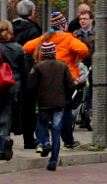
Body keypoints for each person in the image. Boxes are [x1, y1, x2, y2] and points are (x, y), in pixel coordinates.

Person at [23, 12, 88, 149]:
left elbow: (26, 47)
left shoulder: (45, 38)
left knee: (43, 111)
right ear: (63, 25)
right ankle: (68, 141)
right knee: (65, 111)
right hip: (65, 78)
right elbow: (83, 49)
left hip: (45, 80)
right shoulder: (69, 39)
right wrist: (77, 60)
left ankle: (42, 141)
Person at [27, 40, 76, 171]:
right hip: (60, 103)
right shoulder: (63, 66)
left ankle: (45, 142)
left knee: (42, 123)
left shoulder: (38, 67)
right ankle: (53, 160)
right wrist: (65, 97)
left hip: (44, 103)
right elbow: (70, 85)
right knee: (56, 130)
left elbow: (30, 86)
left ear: (43, 53)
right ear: (55, 52)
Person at [0, 20, 28, 161]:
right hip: (15, 83)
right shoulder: (19, 48)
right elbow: (25, 70)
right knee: (10, 114)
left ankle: (3, 141)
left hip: (0, 82)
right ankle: (4, 142)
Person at [13, 0, 42, 150]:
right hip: (28, 72)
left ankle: (7, 136)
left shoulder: (11, 28)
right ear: (31, 12)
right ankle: (28, 139)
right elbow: (35, 53)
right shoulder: (33, 30)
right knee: (29, 106)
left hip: (12, 72)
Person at [72, 10, 95, 117]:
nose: (82, 21)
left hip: (94, 65)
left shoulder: (98, 34)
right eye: (81, 19)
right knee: (79, 90)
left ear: (91, 20)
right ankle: (80, 112)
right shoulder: (76, 35)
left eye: (85, 19)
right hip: (81, 65)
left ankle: (89, 113)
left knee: (91, 90)